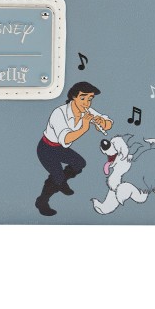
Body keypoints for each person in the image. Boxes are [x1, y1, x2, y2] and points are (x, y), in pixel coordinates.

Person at [35, 81, 113, 216]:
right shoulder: (59, 113)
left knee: (79, 163)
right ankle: (42, 201)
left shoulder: (86, 111)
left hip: (58, 148)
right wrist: (84, 127)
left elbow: (108, 123)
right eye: (83, 98)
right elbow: (66, 139)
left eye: (90, 99)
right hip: (46, 149)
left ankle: (61, 182)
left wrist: (103, 122)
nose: (86, 103)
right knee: (57, 176)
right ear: (73, 97)